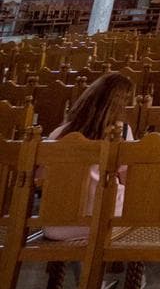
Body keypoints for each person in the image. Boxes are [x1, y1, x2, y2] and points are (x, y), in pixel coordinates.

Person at [42, 72, 133, 243]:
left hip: (55, 225)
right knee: (142, 206)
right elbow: (130, 180)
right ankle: (128, 267)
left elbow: (41, 177)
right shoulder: (119, 132)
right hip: (104, 221)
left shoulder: (59, 133)